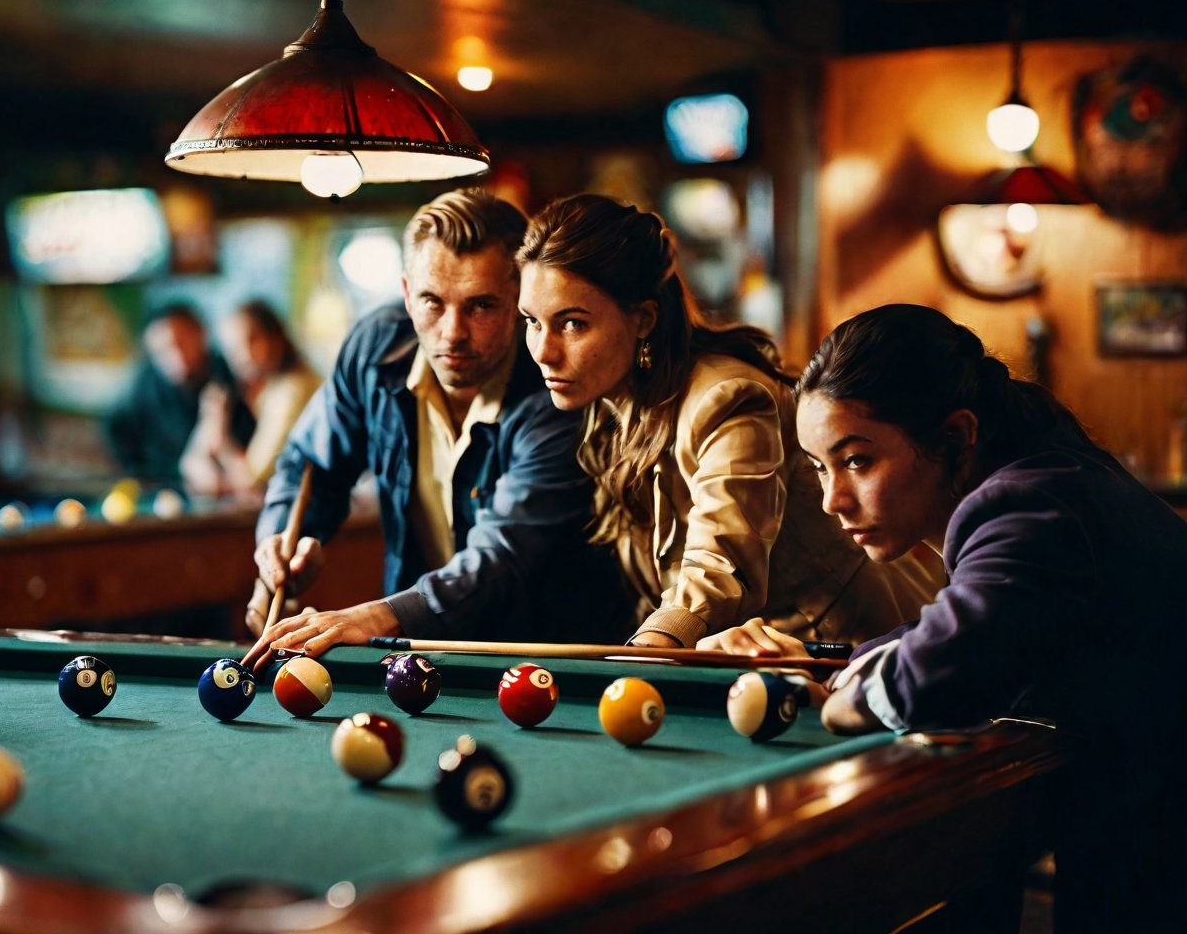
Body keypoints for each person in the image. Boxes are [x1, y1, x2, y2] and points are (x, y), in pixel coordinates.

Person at [706, 303, 1187, 933]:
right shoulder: (1049, 480)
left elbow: (937, 670)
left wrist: (838, 700)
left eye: (856, 460)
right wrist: (820, 662)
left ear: (956, 438)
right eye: (821, 468)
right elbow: (952, 629)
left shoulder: (1026, 507)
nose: (832, 500)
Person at [516, 194, 942, 649]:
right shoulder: (610, 408)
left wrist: (642, 657)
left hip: (846, 650)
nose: (544, 351)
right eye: (532, 322)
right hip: (744, 666)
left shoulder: (728, 397)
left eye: (573, 324)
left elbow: (719, 565)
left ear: (643, 319)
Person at [244, 189, 629, 667]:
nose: (452, 333)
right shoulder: (375, 350)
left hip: (552, 666)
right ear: (407, 293)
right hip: (416, 659)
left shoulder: (556, 387)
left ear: (519, 300)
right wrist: (282, 543)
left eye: (481, 306)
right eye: (432, 301)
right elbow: (311, 461)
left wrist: (374, 616)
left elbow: (504, 553)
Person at [180, 300, 321, 501]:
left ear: (277, 336)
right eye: (233, 348)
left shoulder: (293, 389)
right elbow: (190, 463)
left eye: (253, 340)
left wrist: (221, 441)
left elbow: (251, 479)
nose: (244, 355)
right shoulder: (239, 389)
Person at [106, 303, 252, 485]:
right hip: (165, 486)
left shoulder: (231, 374)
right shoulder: (145, 384)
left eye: (181, 343)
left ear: (200, 333)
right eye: (161, 351)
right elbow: (119, 431)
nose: (175, 356)